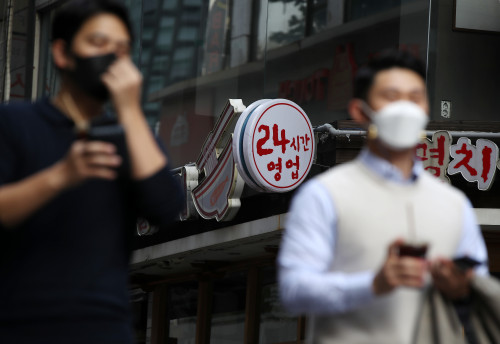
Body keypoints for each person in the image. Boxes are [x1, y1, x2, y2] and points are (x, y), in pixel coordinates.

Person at [0, 0, 184, 343]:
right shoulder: (14, 123)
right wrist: (60, 177)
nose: (113, 57)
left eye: (123, 50)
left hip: (105, 327)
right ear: (62, 54)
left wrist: (129, 111)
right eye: (99, 44)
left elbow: (166, 206)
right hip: (20, 325)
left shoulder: (132, 135)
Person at [278, 50, 489, 344]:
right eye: (391, 97)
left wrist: (460, 287)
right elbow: (293, 290)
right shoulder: (324, 195)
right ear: (360, 111)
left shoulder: (455, 204)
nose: (405, 108)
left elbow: (480, 291)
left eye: (415, 98)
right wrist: (373, 284)